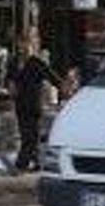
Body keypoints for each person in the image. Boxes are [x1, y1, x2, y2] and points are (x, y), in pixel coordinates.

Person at [7, 32, 65, 172]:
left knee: (30, 137)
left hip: (33, 104)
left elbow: (53, 78)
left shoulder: (37, 63)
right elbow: (8, 78)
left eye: (27, 44)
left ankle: (21, 165)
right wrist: (10, 85)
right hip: (20, 104)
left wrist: (65, 89)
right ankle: (37, 163)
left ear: (32, 46)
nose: (24, 47)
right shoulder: (14, 62)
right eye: (21, 44)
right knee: (27, 135)